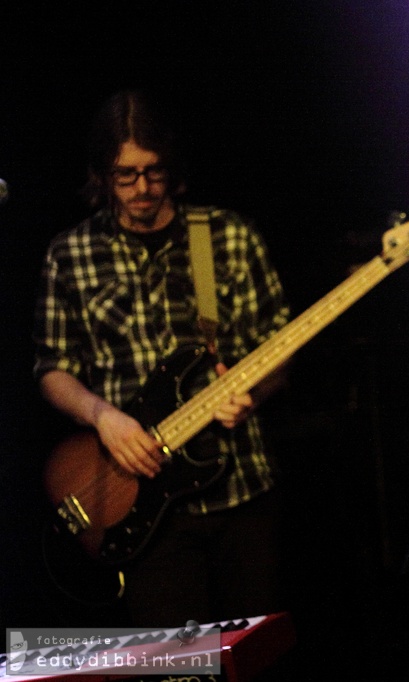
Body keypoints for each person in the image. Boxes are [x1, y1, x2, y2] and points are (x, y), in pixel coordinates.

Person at [33, 90, 291, 628]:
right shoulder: (70, 254)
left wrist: (254, 393)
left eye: (154, 172)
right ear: (102, 174)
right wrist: (103, 418)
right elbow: (53, 369)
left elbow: (280, 351)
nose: (143, 189)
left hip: (240, 486)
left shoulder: (226, 236)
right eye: (125, 175)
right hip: (138, 500)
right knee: (178, 667)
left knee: (262, 657)